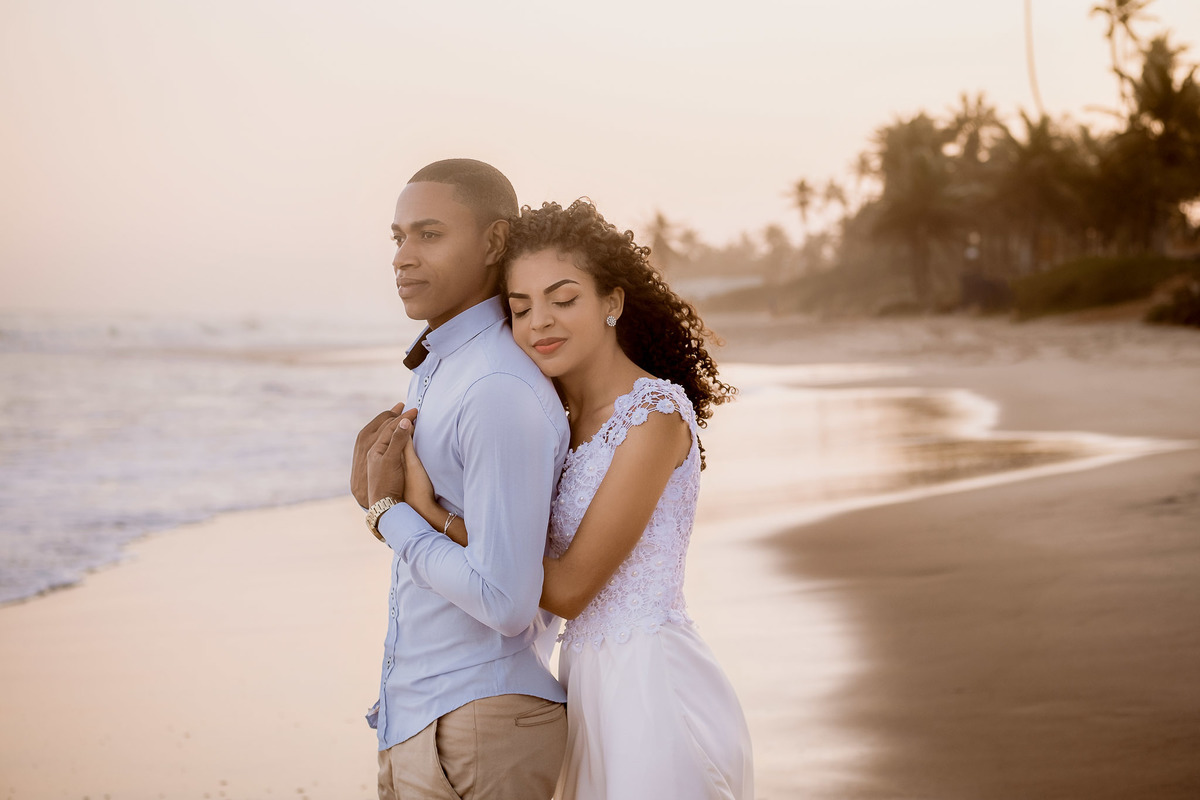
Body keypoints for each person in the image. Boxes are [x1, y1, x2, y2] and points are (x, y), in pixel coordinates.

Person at [397, 199, 755, 799]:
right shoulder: (556, 418)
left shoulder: (652, 414)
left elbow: (567, 589)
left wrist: (433, 517)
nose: (540, 322)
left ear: (611, 303)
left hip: (651, 689)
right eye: (520, 307)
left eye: (563, 300)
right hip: (585, 685)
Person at [350, 159, 569, 800]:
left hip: (478, 725)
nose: (402, 256)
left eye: (429, 234)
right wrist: (379, 499)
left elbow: (506, 601)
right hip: (424, 718)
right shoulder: (442, 366)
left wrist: (386, 512)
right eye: (398, 237)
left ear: (495, 242)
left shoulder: (495, 386)